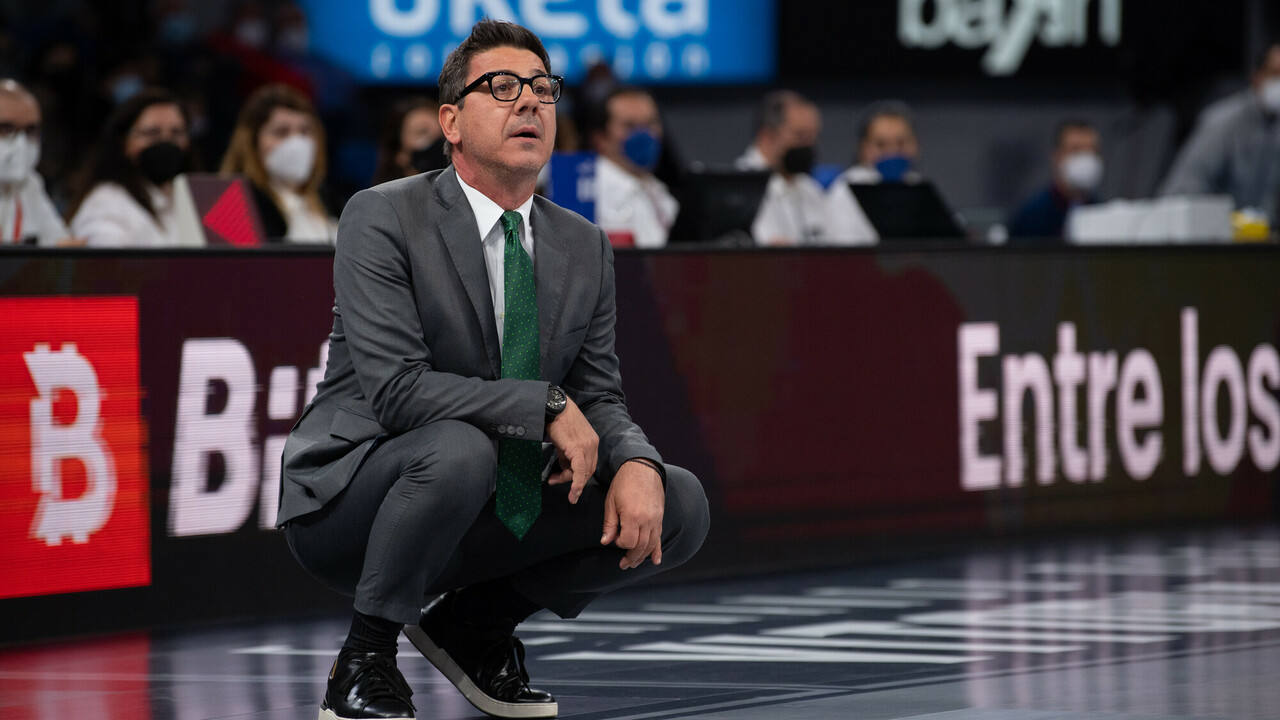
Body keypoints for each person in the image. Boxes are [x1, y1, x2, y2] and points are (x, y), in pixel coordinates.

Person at [279, 20, 708, 720]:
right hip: (355, 499)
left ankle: (471, 628)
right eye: (502, 88)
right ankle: (364, 660)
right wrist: (543, 406)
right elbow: (396, 390)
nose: (530, 102)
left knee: (679, 502)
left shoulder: (583, 244)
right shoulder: (383, 215)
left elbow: (599, 393)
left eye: (543, 88)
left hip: (481, 509)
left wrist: (635, 460)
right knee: (457, 448)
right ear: (451, 120)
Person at [1160, 43, 1280, 219]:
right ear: (1257, 76)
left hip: (1261, 240)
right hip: (1215, 238)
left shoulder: (1276, 125)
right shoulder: (1222, 123)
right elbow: (1181, 192)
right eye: (1275, 74)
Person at [69, 88, 198, 247]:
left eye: (177, 133)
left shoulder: (197, 200)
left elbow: (230, 260)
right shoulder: (106, 203)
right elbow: (109, 264)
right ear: (124, 142)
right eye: (152, 133)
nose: (166, 142)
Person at [220, 83, 335, 243]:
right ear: (251, 142)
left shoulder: (328, 202)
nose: (297, 142)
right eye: (281, 132)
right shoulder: (234, 206)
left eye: (305, 131)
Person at [589, 85, 678, 248]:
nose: (643, 133)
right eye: (629, 126)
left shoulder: (658, 190)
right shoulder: (588, 192)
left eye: (650, 123)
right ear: (601, 138)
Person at [736, 90, 829, 245]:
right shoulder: (740, 190)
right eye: (801, 136)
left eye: (813, 136)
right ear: (766, 137)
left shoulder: (810, 188)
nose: (809, 146)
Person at [824, 100, 923, 244]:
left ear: (915, 145)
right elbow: (844, 251)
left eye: (901, 143)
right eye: (881, 144)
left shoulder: (917, 184)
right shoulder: (846, 189)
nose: (892, 152)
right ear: (863, 148)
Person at [0, 79, 73, 246]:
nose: (21, 143)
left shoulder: (30, 184)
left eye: (30, 131)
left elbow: (64, 247)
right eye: (5, 129)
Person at [1008, 120, 1104, 243]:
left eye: (1092, 151)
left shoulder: (1103, 213)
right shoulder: (1031, 216)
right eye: (1076, 150)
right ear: (1057, 156)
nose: (1086, 158)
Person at [372, 95, 444, 185]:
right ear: (398, 153)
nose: (439, 141)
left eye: (443, 132)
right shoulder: (379, 198)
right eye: (422, 132)